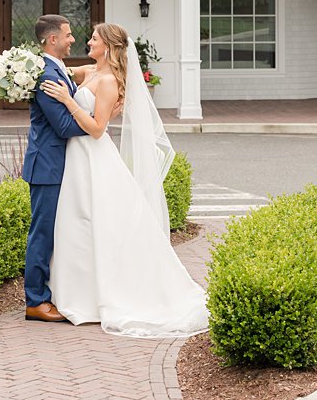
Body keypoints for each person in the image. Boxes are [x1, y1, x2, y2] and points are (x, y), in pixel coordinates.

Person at [39, 22, 209, 338]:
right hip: (75, 158)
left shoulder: (108, 82)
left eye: (93, 38)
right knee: (77, 223)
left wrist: (67, 100)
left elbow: (97, 128)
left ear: (109, 46)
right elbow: (54, 68)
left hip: (93, 154)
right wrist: (22, 68)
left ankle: (101, 297)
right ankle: (78, 294)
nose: (87, 42)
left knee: (98, 222)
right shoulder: (89, 71)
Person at [20, 14, 88, 323]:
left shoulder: (59, 69)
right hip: (47, 165)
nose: (72, 39)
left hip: (60, 164)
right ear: (52, 40)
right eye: (68, 35)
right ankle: (35, 300)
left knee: (59, 232)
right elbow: (62, 125)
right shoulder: (47, 75)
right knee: (42, 234)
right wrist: (97, 124)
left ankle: (52, 292)